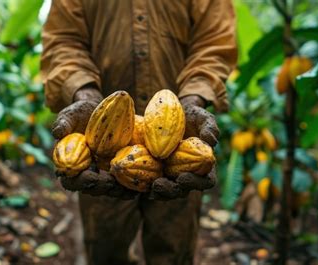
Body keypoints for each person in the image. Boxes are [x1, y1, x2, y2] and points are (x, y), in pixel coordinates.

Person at [41, 0, 237, 264]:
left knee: (173, 250)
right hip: (102, 155)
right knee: (105, 249)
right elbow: (63, 41)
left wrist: (192, 101)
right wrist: (87, 95)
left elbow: (213, 43)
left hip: (178, 149)